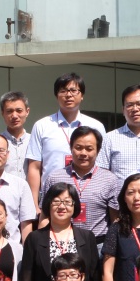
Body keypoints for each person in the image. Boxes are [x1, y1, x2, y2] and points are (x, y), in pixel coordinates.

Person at [19, 184, 101, 281]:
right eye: (56, 201)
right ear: (48, 204)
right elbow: (26, 278)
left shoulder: (87, 237)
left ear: (75, 206)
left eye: (67, 202)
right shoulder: (35, 238)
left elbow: (94, 278)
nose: (62, 206)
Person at [25, 73, 108, 208]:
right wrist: (33, 205)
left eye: (74, 90)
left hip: (89, 198)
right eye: (63, 91)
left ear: (82, 95)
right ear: (56, 95)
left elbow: (102, 164)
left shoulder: (96, 126)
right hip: (52, 199)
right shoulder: (42, 126)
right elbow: (34, 167)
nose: (68, 95)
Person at [38, 126, 121, 242]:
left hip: (98, 244)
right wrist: (42, 243)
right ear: (71, 148)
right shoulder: (54, 178)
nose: (83, 153)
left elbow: (115, 219)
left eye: (89, 149)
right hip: (61, 243)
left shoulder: (110, 180)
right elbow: (45, 215)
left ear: (98, 150)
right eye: (78, 148)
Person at [99, 84, 140, 178]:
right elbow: (101, 174)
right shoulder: (109, 138)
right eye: (129, 105)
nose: (135, 109)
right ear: (123, 110)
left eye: (139, 104)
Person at [0, 91, 32, 178]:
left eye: (19, 111)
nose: (14, 116)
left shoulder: (35, 141)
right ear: (2, 113)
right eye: (9, 111)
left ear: (27, 112)